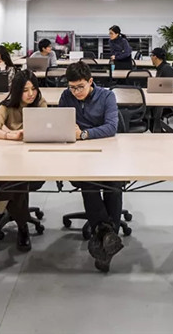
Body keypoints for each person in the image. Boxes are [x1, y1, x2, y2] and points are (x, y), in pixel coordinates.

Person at [58, 61, 122, 273]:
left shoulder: (107, 96)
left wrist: (84, 134)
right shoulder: (66, 97)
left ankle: (102, 234)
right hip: (79, 155)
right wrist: (72, 133)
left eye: (80, 87)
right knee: (87, 181)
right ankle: (108, 236)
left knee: (114, 184)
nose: (76, 92)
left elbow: (111, 127)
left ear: (91, 82)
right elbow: (61, 123)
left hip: (107, 152)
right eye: (72, 87)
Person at [0, 70, 47, 251]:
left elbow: (42, 130)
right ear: (17, 91)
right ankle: (22, 227)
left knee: (16, 175)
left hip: (34, 160)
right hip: (8, 160)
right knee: (15, 176)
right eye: (25, 90)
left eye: (34, 89)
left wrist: (7, 130)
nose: (31, 94)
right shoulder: (6, 106)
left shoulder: (40, 104)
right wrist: (11, 135)